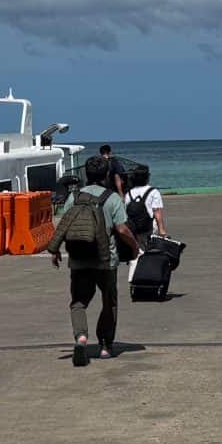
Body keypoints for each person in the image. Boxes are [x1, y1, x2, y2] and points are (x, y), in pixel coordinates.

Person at [59, 155, 134, 366]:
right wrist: (135, 246)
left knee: (78, 302)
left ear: (85, 174)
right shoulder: (112, 198)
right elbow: (122, 229)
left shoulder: (74, 197)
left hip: (78, 258)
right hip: (105, 260)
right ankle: (105, 346)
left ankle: (81, 338)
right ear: (107, 174)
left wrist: (56, 251)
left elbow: (64, 225)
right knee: (109, 302)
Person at [124, 164, 166, 242]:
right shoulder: (153, 192)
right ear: (147, 178)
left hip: (134, 228)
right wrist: (162, 231)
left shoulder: (129, 193)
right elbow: (157, 212)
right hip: (149, 228)